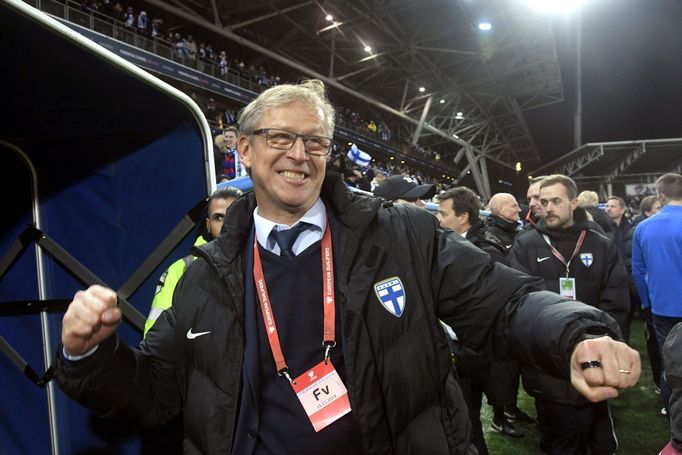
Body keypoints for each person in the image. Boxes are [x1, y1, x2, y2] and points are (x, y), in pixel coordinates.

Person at [55, 80, 640, 454]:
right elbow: (155, 394)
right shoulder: (204, 273)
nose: (299, 154)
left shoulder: (400, 233)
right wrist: (89, 355)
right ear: (246, 148)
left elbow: (505, 300)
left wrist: (575, 333)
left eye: (316, 142)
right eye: (280, 137)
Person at [509, 174, 630, 454]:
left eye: (556, 201)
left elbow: (616, 302)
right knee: (559, 435)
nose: (548, 207)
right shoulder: (526, 244)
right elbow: (520, 302)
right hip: (547, 362)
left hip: (593, 356)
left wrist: (597, 343)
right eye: (543, 201)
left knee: (597, 436)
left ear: (574, 203)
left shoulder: (601, 245)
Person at [143, 187, 242, 336]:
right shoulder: (180, 270)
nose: (226, 224)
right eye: (218, 218)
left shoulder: (265, 263)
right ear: (208, 225)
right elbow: (155, 335)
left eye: (233, 215)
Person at [632, 173, 682, 416]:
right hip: (663, 307)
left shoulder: (643, 227)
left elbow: (638, 271)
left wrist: (646, 303)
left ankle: (672, 411)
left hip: (662, 307)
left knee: (669, 363)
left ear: (660, 195)